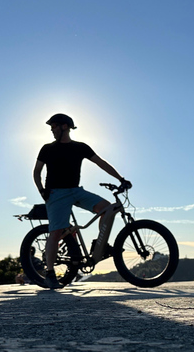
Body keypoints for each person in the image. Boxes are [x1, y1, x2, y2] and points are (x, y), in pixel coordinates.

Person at [33, 113, 130, 289]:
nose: (51, 130)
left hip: (76, 191)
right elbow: (36, 172)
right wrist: (42, 191)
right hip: (56, 193)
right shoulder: (47, 149)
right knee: (55, 232)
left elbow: (101, 163)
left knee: (107, 209)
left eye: (54, 126)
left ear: (64, 127)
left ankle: (99, 245)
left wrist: (121, 179)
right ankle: (50, 273)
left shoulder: (80, 147)